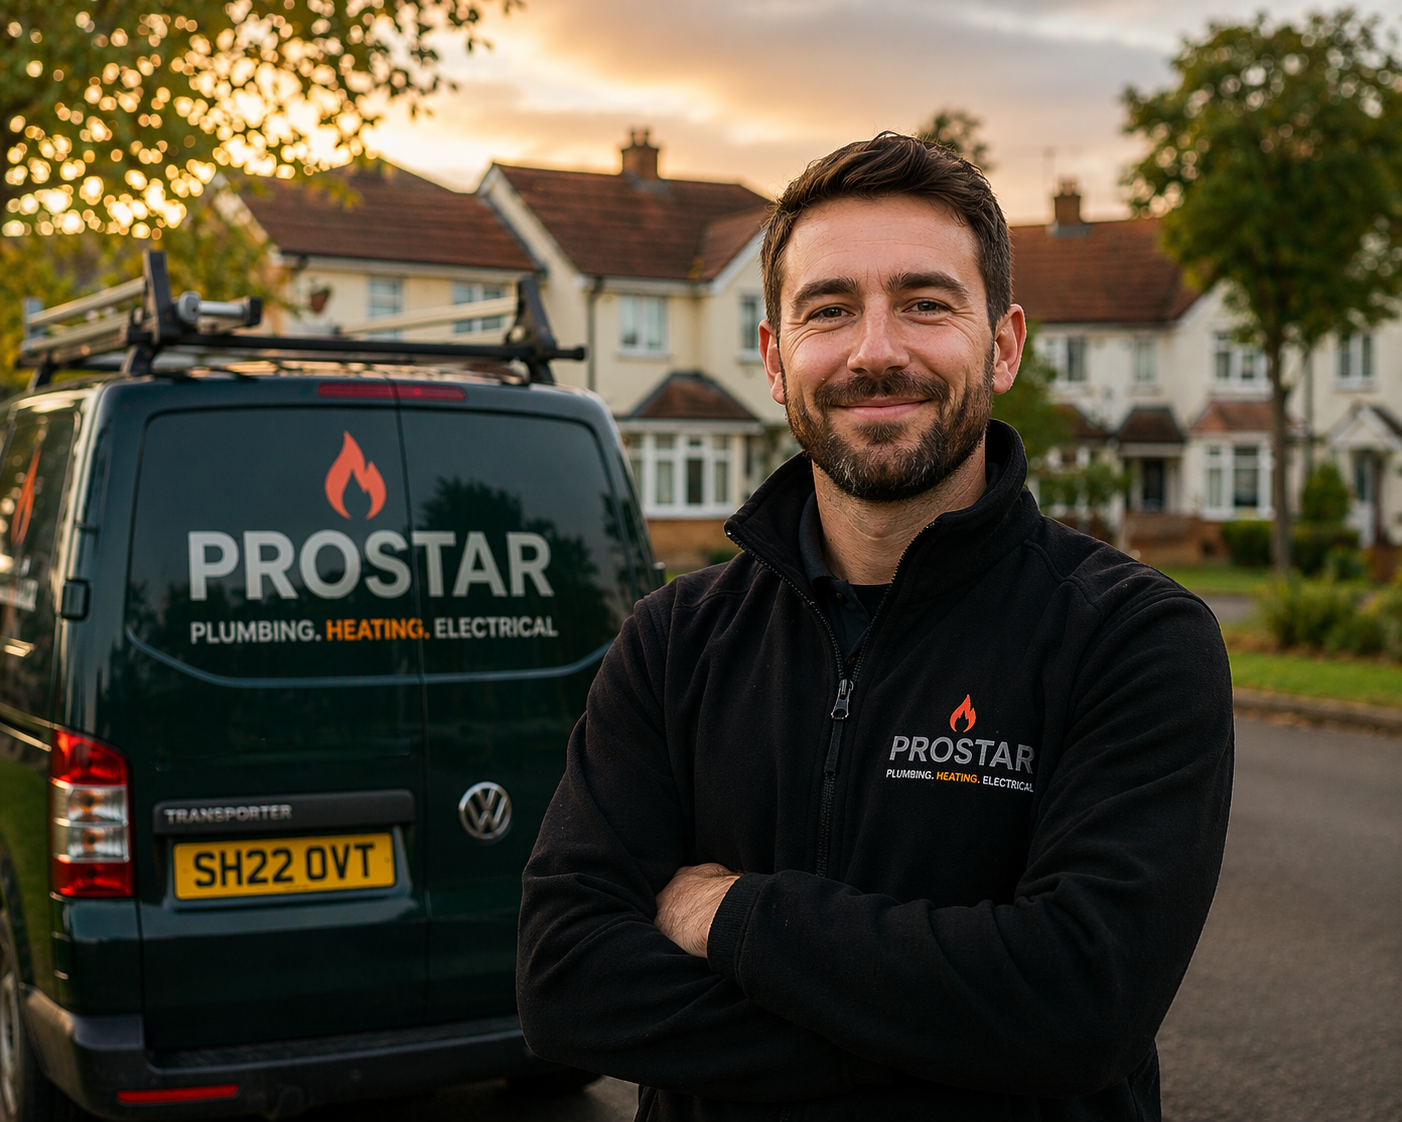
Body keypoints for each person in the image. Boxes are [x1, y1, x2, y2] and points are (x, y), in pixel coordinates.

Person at [517, 132, 1234, 1121]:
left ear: (1005, 344)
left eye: (925, 303)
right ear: (774, 359)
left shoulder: (1133, 639)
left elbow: (1079, 1005)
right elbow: (566, 983)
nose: (876, 351)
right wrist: (951, 1031)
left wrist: (732, 913)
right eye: (829, 311)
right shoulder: (674, 641)